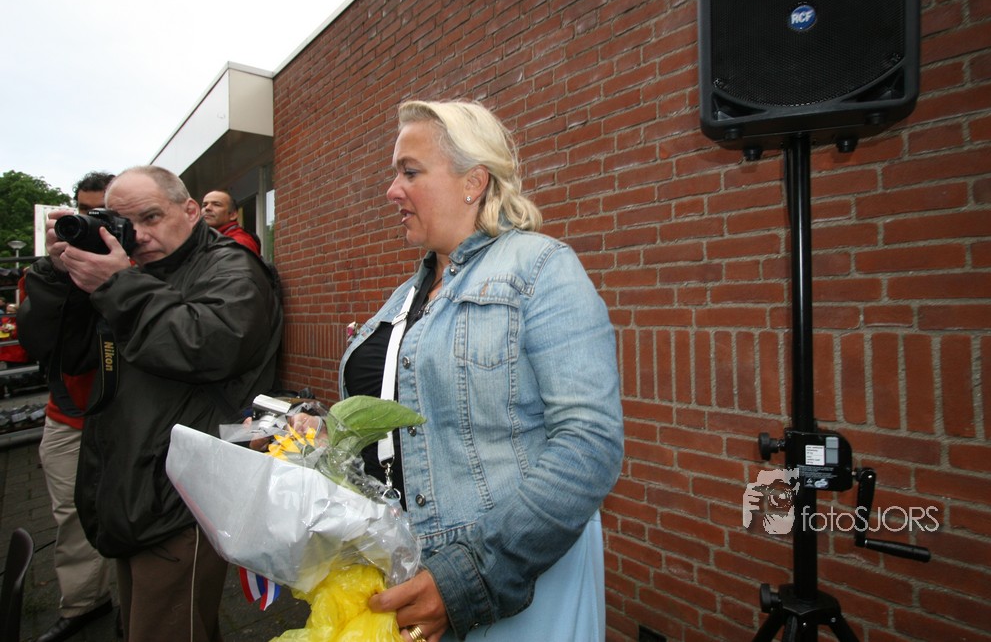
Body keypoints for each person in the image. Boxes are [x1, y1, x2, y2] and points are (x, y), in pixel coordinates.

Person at [297, 100, 624, 641]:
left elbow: (589, 443)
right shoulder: (406, 297)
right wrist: (321, 437)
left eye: (410, 172)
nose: (392, 190)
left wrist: (467, 577)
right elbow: (409, 419)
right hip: (405, 583)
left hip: (515, 589)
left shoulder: (541, 267)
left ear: (474, 181)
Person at [18, 165, 284, 642]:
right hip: (133, 484)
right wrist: (58, 276)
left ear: (190, 210)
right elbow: (59, 352)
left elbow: (209, 346)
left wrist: (118, 285)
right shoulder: (136, 270)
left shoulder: (230, 266)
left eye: (151, 217)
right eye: (126, 223)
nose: (138, 235)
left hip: (181, 494)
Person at [26, 172, 119, 642]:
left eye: (105, 212)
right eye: (85, 212)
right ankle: (84, 602)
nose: (93, 222)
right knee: (71, 513)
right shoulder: (51, 268)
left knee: (134, 511)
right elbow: (38, 341)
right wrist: (56, 270)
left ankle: (137, 605)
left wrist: (122, 278)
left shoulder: (141, 261)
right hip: (69, 413)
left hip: (124, 414)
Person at [201, 189, 261, 255]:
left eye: (216, 204)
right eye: (204, 205)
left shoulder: (238, 243)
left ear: (233, 215)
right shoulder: (208, 239)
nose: (207, 208)